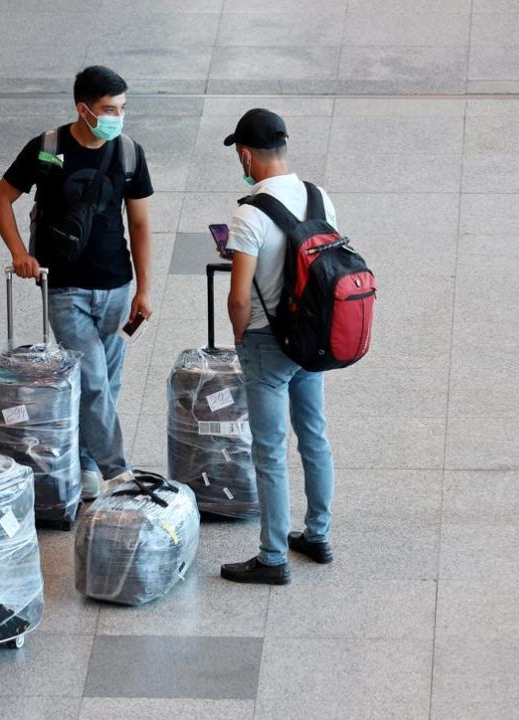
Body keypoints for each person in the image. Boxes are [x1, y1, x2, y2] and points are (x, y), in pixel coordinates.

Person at [0, 65, 154, 499]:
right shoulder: (47, 149)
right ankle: (117, 472)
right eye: (108, 109)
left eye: (122, 108)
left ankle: (84, 465)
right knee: (95, 380)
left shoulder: (129, 153)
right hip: (65, 289)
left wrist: (144, 288)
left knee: (105, 384)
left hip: (117, 286)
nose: (117, 116)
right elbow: (1, 198)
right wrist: (19, 254)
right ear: (83, 109)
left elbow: (139, 225)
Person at [219, 109, 338, 585]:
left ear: (245, 154)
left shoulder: (249, 213)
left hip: (268, 342)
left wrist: (239, 334)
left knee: (268, 450)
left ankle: (272, 557)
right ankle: (319, 535)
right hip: (312, 336)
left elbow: (239, 295)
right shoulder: (319, 196)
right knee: (314, 434)